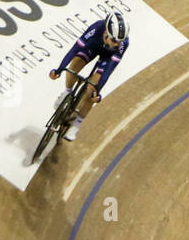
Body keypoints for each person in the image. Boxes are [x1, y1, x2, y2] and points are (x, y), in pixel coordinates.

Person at [47, 10, 129, 142]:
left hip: (107, 59)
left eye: (120, 41)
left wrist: (96, 92)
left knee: (91, 90)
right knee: (74, 66)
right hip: (93, 47)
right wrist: (59, 69)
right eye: (114, 40)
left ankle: (77, 123)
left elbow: (108, 70)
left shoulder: (122, 45)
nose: (116, 44)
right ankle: (67, 92)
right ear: (106, 33)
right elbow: (74, 50)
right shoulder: (96, 28)